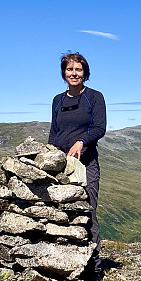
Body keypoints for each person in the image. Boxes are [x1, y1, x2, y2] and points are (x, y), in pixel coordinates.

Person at [48, 52, 106, 251]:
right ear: (64, 73)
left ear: (85, 73)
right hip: (61, 164)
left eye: (78, 70)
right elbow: (54, 131)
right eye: (70, 69)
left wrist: (81, 142)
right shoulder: (57, 100)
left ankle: (94, 265)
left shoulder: (94, 97)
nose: (74, 73)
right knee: (59, 211)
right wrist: (50, 157)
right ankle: (66, 259)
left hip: (86, 162)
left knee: (88, 210)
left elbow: (99, 128)